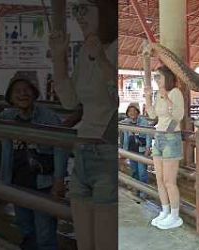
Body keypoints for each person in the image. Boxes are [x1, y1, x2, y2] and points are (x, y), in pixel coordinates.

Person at [48, 0, 118, 249]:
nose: (78, 16)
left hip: (106, 152)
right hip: (82, 151)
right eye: (75, 9)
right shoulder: (85, 52)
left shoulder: (114, 49)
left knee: (105, 240)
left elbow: (116, 98)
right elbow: (69, 101)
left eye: (84, 8)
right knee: (85, 243)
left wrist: (100, 58)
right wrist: (58, 58)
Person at [0, 72, 67, 250]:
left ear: (34, 93)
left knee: (45, 235)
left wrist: (58, 180)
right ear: (10, 97)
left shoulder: (48, 117)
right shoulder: (8, 116)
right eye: (17, 91)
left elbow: (61, 147)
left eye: (26, 90)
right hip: (17, 183)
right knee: (26, 230)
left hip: (43, 184)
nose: (22, 94)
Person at [144, 66, 185, 230]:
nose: (156, 80)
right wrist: (148, 98)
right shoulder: (157, 94)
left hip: (171, 137)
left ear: (167, 77)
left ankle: (175, 216)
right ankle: (165, 210)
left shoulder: (175, 92)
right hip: (158, 136)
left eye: (158, 77)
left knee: (169, 181)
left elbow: (178, 116)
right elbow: (153, 115)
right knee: (159, 179)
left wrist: (167, 98)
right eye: (155, 77)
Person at [121, 104, 151, 187]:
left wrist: (148, 149)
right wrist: (124, 151)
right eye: (130, 111)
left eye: (134, 111)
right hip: (131, 149)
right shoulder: (126, 122)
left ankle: (144, 193)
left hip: (141, 150)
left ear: (138, 112)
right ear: (127, 113)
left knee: (142, 172)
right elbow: (126, 138)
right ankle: (136, 189)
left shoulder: (143, 121)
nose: (132, 113)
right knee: (134, 170)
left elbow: (148, 135)